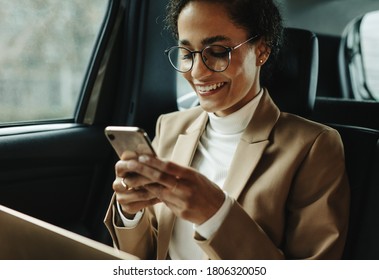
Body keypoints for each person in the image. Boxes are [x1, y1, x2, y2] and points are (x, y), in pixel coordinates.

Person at [104, 0, 350, 260]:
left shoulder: (315, 146)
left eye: (219, 52)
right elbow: (147, 259)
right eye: (188, 54)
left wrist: (215, 214)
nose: (198, 72)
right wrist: (131, 214)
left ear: (261, 51)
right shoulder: (170, 126)